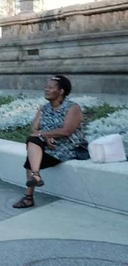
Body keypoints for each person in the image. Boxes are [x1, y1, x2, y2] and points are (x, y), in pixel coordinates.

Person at [13, 75, 86, 209]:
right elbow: (34, 128)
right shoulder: (44, 108)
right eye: (46, 87)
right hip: (48, 145)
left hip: (67, 148)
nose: (46, 90)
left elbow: (66, 131)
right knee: (32, 141)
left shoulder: (72, 108)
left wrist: (44, 134)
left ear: (61, 91)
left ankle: (29, 196)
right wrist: (46, 137)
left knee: (31, 157)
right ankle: (35, 177)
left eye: (50, 88)